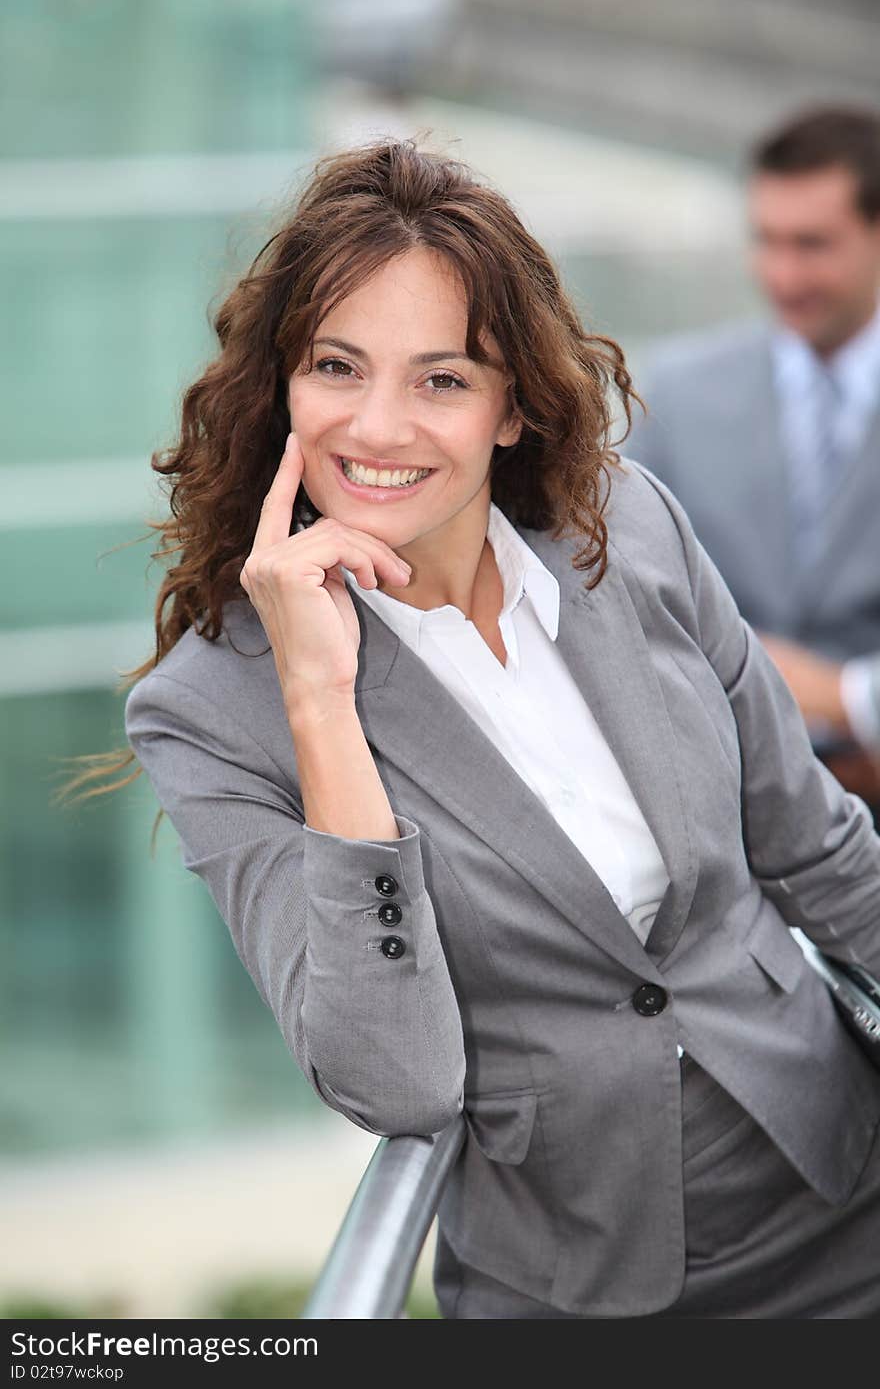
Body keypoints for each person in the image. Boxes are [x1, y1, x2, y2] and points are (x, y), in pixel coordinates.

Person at [68, 137, 880, 1317]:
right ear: (279, 386)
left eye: (442, 378)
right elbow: (396, 1075)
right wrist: (317, 702)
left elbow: (815, 848)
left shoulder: (628, 527)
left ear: (510, 409)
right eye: (336, 366)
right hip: (580, 1279)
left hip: (839, 1187)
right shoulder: (209, 710)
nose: (379, 426)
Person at [626, 104, 880, 821]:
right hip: (721, 799)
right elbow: (612, 582)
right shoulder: (677, 388)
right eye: (765, 241)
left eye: (812, 244)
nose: (781, 273)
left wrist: (852, 699)